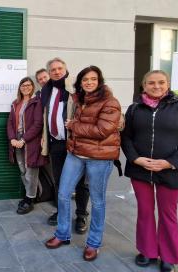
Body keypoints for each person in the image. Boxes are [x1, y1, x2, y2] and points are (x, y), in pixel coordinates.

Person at [121, 70, 178, 272]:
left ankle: (169, 256)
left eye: (161, 82)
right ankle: (147, 251)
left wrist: (170, 162)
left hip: (172, 171)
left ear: (168, 84)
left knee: (168, 214)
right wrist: (136, 158)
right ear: (144, 85)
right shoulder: (134, 109)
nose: (156, 86)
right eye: (151, 83)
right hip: (141, 170)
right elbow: (126, 138)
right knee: (145, 212)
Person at [45, 65, 121, 262]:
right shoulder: (79, 100)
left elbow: (102, 130)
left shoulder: (110, 102)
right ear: (80, 83)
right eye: (85, 79)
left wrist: (74, 126)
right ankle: (62, 234)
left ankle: (93, 243)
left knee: (97, 201)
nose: (89, 82)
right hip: (76, 154)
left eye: (93, 79)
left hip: (99, 158)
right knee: (62, 194)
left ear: (99, 81)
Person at [40, 57, 89, 233]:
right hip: (56, 143)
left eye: (60, 68)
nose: (56, 71)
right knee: (59, 180)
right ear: (49, 73)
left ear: (65, 69)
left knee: (81, 182)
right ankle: (61, 211)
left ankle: (81, 215)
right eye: (53, 69)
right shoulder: (46, 90)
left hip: (74, 143)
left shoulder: (75, 89)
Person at [6, 77, 46, 214]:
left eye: (28, 85)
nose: (26, 87)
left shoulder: (36, 102)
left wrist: (23, 139)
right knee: (22, 169)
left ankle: (30, 199)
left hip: (30, 141)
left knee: (31, 172)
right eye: (23, 85)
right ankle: (30, 195)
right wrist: (12, 138)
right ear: (20, 87)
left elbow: (38, 124)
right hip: (16, 140)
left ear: (32, 87)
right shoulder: (15, 103)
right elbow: (10, 123)